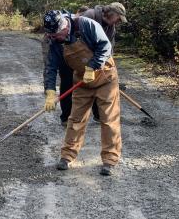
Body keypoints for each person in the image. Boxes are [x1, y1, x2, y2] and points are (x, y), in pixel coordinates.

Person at [43, 10, 122, 176]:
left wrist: (93, 66)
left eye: (57, 34)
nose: (56, 38)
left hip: (105, 78)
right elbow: (51, 66)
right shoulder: (55, 40)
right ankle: (67, 156)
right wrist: (50, 91)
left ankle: (109, 160)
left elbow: (105, 46)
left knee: (108, 119)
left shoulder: (86, 25)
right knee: (75, 118)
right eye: (52, 35)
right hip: (81, 81)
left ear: (65, 25)